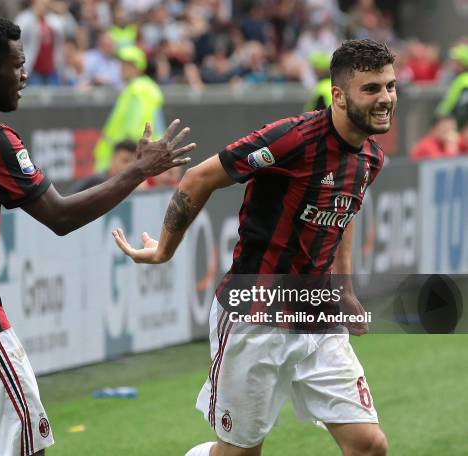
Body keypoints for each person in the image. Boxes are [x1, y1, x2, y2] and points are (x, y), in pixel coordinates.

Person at [0, 13, 195, 456]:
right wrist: (138, 171)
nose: (24, 74)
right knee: (25, 447)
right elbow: (59, 217)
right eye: (16, 65)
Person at [113, 39, 394, 456]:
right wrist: (164, 250)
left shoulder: (370, 156)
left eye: (390, 86)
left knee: (370, 446)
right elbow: (199, 178)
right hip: (255, 315)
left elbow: (345, 209)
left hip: (316, 316)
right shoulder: (291, 138)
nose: (386, 98)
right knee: (241, 452)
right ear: (338, 95)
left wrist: (345, 289)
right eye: (371, 89)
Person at [93, 45, 164, 172]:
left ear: (137, 67)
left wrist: (125, 159)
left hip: (124, 160)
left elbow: (133, 128)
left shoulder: (137, 90)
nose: (121, 68)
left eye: (126, 65)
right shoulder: (144, 88)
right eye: (121, 64)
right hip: (130, 159)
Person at [69, 139, 137, 193]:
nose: (129, 166)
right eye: (125, 160)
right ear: (113, 158)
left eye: (133, 162)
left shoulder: (135, 186)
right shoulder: (94, 182)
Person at [436, 43, 468, 134]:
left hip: (459, 127)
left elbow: (459, 107)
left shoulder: (463, 81)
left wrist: (440, 116)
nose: (454, 64)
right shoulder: (459, 78)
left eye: (457, 62)